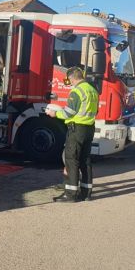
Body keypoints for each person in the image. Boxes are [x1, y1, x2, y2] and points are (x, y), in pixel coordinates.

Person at [45, 67, 99, 203]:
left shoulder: (76, 91)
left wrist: (55, 113)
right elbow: (95, 111)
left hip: (77, 130)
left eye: (69, 80)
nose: (69, 83)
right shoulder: (92, 90)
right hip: (89, 128)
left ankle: (71, 194)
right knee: (85, 160)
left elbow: (69, 113)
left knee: (71, 160)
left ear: (72, 78)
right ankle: (86, 193)